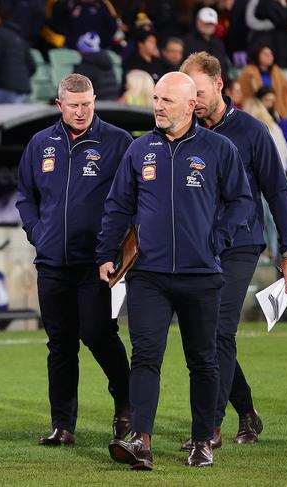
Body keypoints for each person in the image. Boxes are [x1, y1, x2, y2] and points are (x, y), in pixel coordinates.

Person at [98, 71, 252, 470]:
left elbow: (241, 202)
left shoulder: (219, 148)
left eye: (167, 100)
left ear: (190, 106)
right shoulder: (138, 150)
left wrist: (216, 241)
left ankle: (203, 440)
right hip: (148, 274)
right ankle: (141, 440)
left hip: (201, 275)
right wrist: (106, 253)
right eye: (155, 98)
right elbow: (118, 205)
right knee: (145, 356)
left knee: (202, 360)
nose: (158, 106)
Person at [179, 51, 287, 450]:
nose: (191, 100)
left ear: (218, 85)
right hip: (198, 246)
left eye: (197, 91)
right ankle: (246, 411)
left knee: (218, 330)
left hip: (241, 243)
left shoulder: (252, 131)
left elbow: (279, 193)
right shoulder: (184, 131)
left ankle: (209, 428)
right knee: (206, 336)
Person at [16, 73, 132, 448]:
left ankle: (126, 404)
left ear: (94, 100)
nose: (81, 112)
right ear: (59, 105)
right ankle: (63, 425)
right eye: (74, 105)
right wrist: (37, 232)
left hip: (97, 263)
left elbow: (132, 200)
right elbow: (25, 195)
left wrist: (115, 247)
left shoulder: (117, 142)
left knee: (98, 334)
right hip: (51, 263)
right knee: (60, 343)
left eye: (87, 104)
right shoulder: (40, 144)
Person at [0, 1, 35, 104]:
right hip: (23, 88)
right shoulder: (19, 36)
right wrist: (21, 78)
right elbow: (32, 66)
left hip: (4, 87)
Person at [236, 44, 287, 120]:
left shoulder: (277, 71)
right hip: (254, 112)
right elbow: (241, 92)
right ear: (257, 55)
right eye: (265, 54)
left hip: (276, 111)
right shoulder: (248, 72)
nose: (269, 56)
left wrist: (283, 108)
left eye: (271, 54)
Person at [182, 7, 231, 81]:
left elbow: (224, 66)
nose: (208, 25)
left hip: (218, 85)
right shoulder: (187, 42)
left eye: (211, 23)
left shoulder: (218, 43)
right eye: (206, 22)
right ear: (198, 21)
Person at [73, 32, 119, 101]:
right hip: (112, 104)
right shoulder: (107, 62)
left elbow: (71, 92)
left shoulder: (84, 68)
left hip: (97, 107)